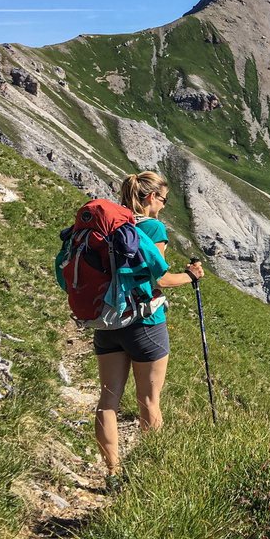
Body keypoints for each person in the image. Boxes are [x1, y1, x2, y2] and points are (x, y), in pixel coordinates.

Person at [93, 171, 204, 488]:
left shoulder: (110, 226)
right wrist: (192, 277)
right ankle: (149, 475)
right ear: (150, 198)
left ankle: (112, 473)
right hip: (144, 323)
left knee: (108, 400)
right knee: (149, 401)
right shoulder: (152, 227)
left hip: (107, 322)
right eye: (163, 200)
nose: (164, 206)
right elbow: (160, 278)